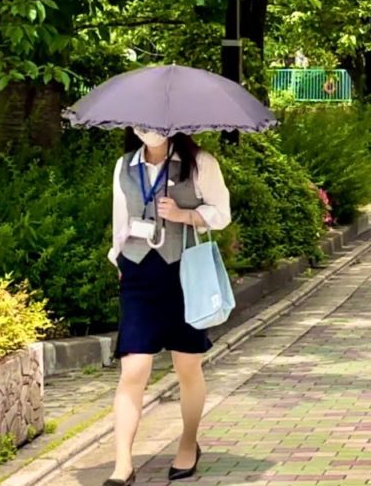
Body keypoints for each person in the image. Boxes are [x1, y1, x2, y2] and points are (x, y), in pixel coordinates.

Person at [103, 128, 231, 486]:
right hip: (139, 273)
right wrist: (119, 261)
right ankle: (122, 465)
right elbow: (120, 221)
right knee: (133, 368)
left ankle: (188, 443)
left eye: (157, 125)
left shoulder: (200, 163)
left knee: (187, 365)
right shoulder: (123, 166)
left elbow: (222, 213)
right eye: (142, 124)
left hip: (183, 271)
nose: (150, 131)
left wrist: (184, 215)